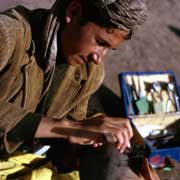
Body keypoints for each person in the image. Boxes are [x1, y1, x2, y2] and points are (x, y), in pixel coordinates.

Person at [0, 0, 158, 179]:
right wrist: (69, 128)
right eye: (99, 42)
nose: (99, 58)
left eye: (109, 49)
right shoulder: (7, 34)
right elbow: (71, 127)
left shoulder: (91, 72)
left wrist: (92, 139)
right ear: (73, 12)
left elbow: (74, 128)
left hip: (33, 162)